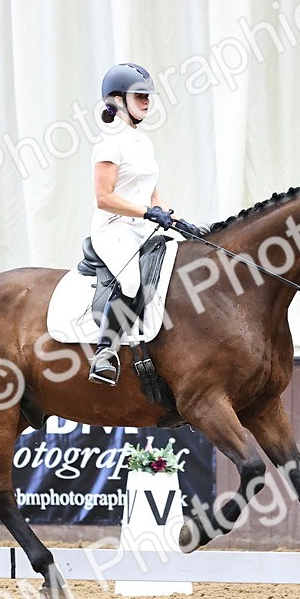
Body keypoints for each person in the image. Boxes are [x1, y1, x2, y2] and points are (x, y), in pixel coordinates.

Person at [86, 62, 207, 386]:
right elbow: (104, 197)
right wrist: (147, 213)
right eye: (139, 96)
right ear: (116, 100)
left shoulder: (142, 141)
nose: (147, 102)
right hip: (114, 229)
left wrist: (178, 220)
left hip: (142, 227)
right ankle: (105, 353)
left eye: (148, 96)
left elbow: (151, 192)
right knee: (130, 282)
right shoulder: (110, 142)